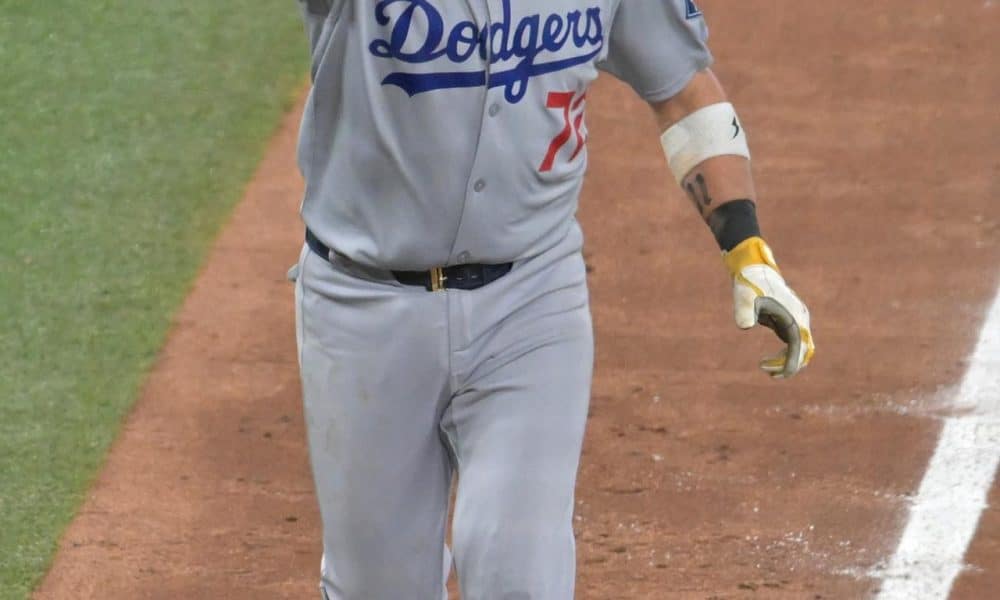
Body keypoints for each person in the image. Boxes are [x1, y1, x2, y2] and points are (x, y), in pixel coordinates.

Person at [289, 1, 815, 598]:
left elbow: (683, 92)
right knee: (378, 586)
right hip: (363, 305)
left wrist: (746, 249)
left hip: (530, 301)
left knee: (519, 571)